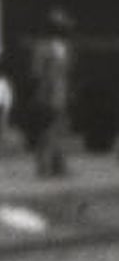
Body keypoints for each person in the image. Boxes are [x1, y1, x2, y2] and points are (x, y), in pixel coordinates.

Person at [25, 10, 76, 178]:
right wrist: (41, 93)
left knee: (60, 129)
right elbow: (36, 73)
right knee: (47, 130)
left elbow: (67, 71)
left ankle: (59, 165)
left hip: (61, 92)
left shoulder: (65, 47)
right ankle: (44, 167)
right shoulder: (42, 47)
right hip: (47, 93)